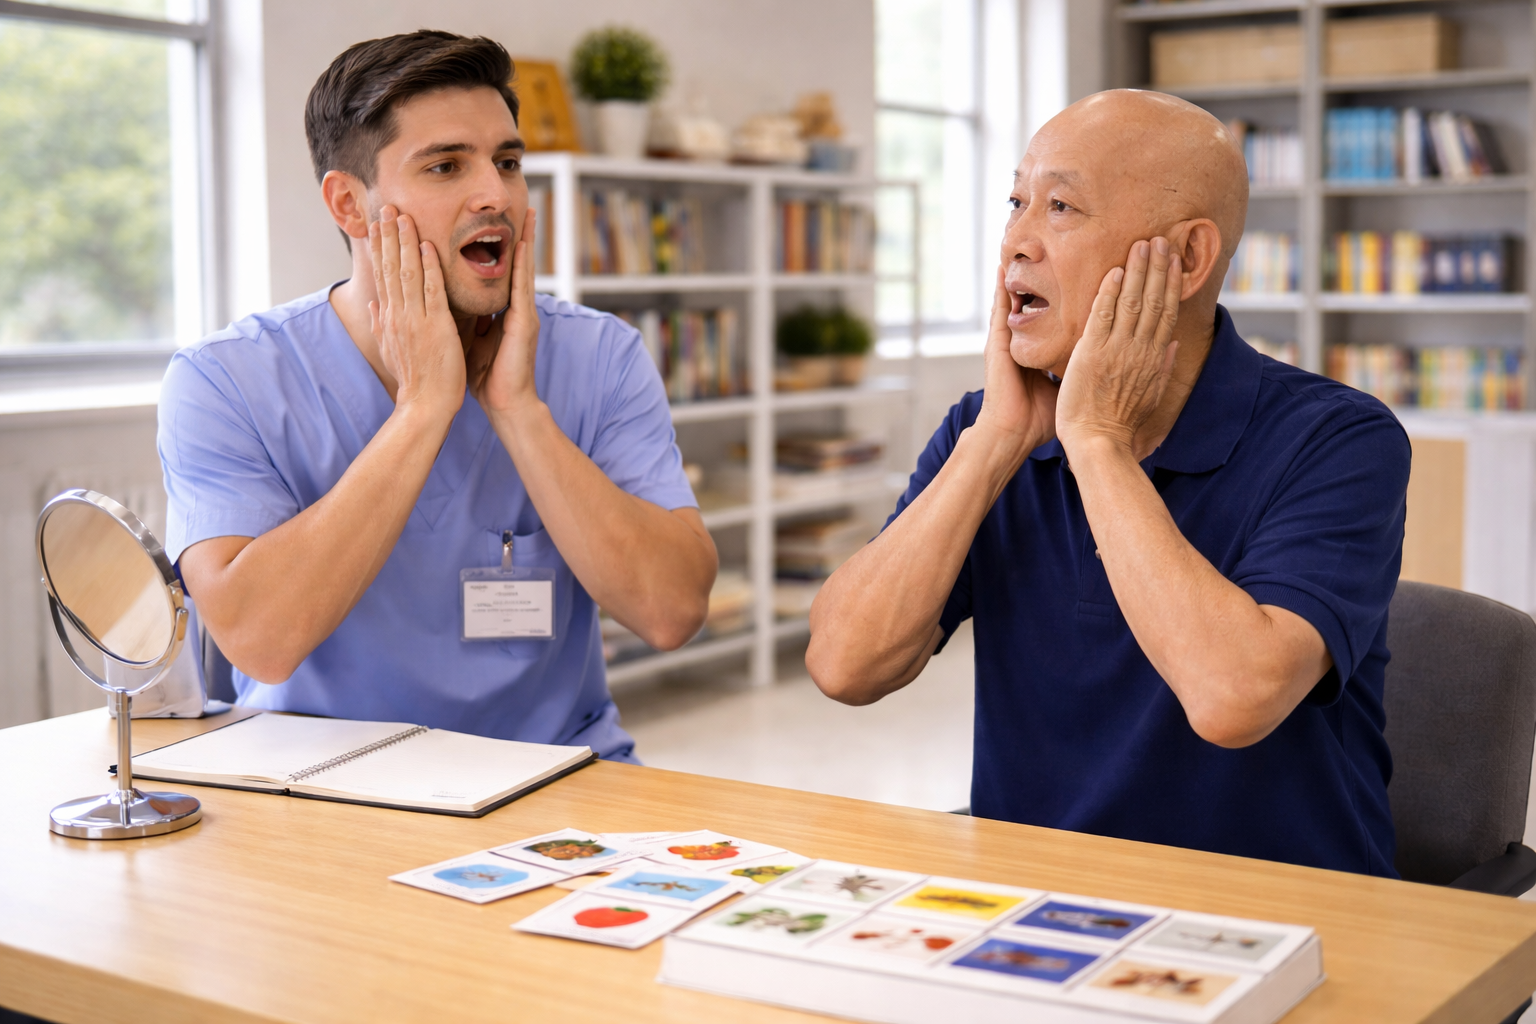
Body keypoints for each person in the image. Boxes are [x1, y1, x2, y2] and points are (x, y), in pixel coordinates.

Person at [807, 90, 1408, 876]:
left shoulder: (1340, 439)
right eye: (1016, 203)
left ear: (1187, 259)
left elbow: (1233, 700)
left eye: (1060, 207)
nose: (1016, 243)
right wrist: (994, 444)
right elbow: (844, 666)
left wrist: (1097, 444)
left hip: (1276, 907)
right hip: (1039, 902)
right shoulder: (985, 432)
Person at [157, 31, 718, 762]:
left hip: (558, 773)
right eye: (446, 166)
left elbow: (674, 612)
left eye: (508, 163)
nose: (496, 196)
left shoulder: (600, 355)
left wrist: (519, 412)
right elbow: (259, 642)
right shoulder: (226, 379)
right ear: (349, 205)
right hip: (323, 781)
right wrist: (423, 411)